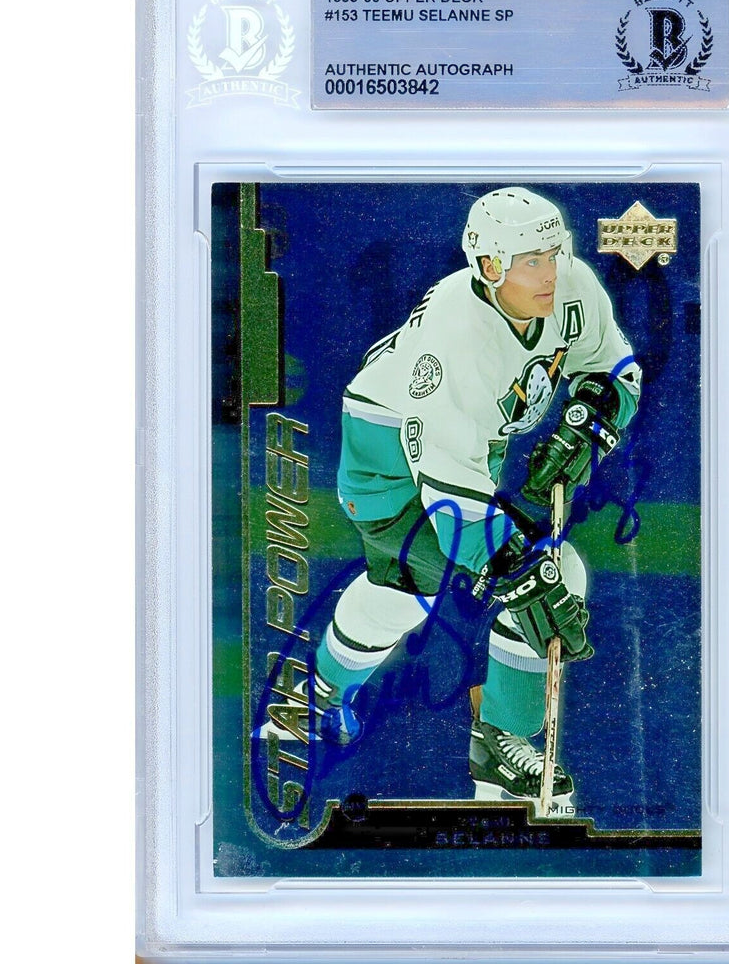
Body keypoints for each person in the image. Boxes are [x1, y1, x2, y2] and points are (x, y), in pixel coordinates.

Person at [266, 187, 641, 808]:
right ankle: (500, 749)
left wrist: (592, 417)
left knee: (402, 592)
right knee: (547, 574)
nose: (550, 272)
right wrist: (517, 573)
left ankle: (313, 691)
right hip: (387, 463)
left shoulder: (571, 287)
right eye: (531, 261)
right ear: (489, 266)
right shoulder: (455, 337)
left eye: (554, 252)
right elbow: (450, 494)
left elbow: (614, 368)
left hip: (464, 452)